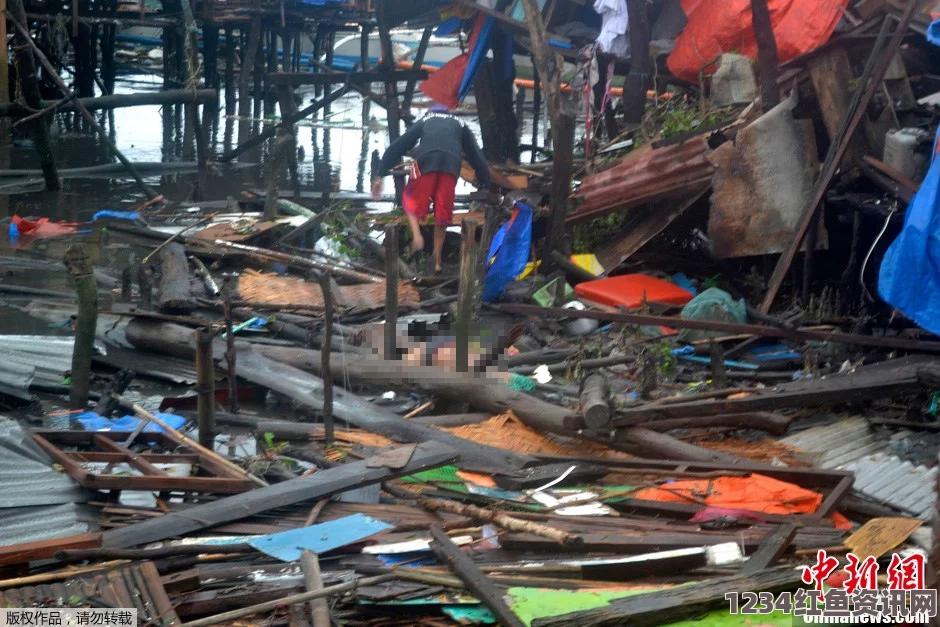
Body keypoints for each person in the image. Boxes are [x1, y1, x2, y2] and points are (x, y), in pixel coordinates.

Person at [371, 104, 490, 273]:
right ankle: (437, 261)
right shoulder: (461, 124)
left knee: (409, 197)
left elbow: (398, 146)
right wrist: (486, 182)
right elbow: (476, 156)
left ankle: (418, 238)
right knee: (442, 214)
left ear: (431, 113)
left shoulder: (425, 120)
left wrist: (380, 174)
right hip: (451, 164)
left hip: (427, 160)